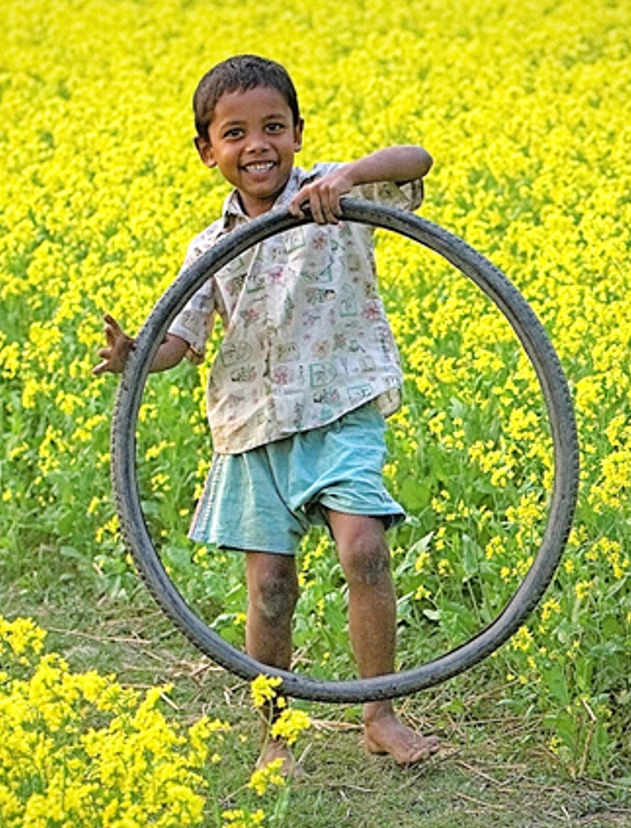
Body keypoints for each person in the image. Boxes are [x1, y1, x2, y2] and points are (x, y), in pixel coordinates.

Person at [94, 54, 440, 772]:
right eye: (236, 133)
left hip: (339, 405)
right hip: (252, 426)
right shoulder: (209, 247)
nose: (258, 145)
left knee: (364, 549)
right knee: (270, 588)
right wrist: (134, 353)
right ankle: (275, 732)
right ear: (207, 150)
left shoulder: (337, 197)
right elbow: (181, 341)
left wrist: (343, 179)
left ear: (298, 134)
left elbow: (418, 157)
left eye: (274, 127)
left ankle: (379, 711)